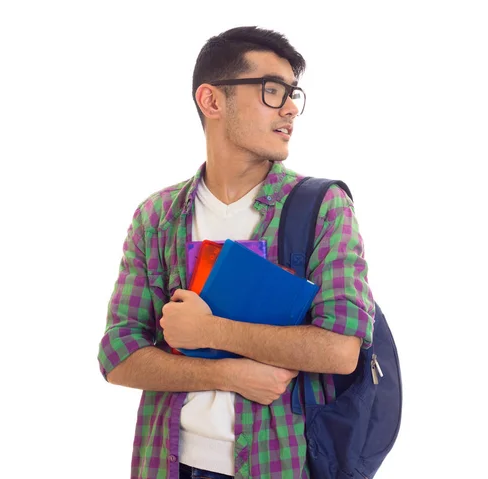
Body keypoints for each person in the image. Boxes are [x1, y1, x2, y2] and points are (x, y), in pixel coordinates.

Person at [97, 25, 375, 479]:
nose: (289, 109)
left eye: (292, 94)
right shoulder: (158, 215)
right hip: (168, 464)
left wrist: (211, 331)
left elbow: (342, 349)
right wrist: (229, 373)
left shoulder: (321, 207)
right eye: (271, 90)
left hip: (277, 465)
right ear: (212, 101)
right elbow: (118, 354)